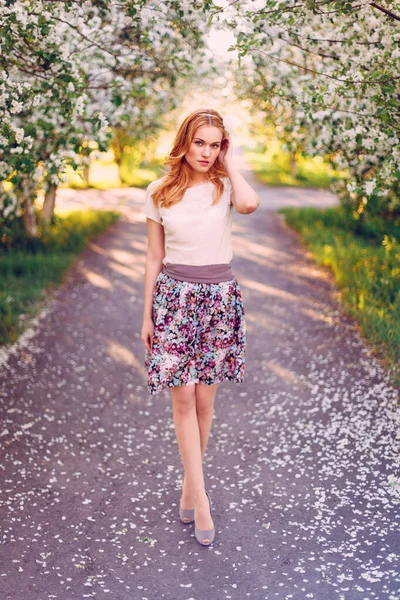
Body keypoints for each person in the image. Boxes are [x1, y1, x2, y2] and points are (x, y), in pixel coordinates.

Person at [141, 108, 260, 546]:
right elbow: (154, 257)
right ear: (185, 143)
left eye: (215, 144)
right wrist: (146, 314)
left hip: (218, 301)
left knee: (205, 403)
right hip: (173, 300)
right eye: (200, 143)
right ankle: (202, 499)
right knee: (183, 403)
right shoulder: (158, 192)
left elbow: (250, 205)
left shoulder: (225, 187)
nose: (206, 152)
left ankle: (190, 488)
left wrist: (231, 163)